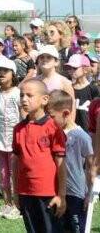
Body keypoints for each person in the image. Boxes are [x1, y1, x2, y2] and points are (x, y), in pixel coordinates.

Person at [13, 78, 66, 233]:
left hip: (48, 194)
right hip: (25, 193)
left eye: (29, 95)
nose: (24, 99)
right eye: (22, 95)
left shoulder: (53, 128)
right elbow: (16, 162)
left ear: (44, 99)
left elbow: (61, 163)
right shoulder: (18, 128)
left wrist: (61, 195)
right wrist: (16, 193)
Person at [48, 90, 93, 233]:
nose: (48, 121)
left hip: (76, 194)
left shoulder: (82, 137)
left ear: (66, 114)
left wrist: (89, 195)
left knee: (76, 228)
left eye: (52, 116)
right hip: (56, 191)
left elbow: (91, 167)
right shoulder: (52, 134)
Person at [0, 57, 22, 220]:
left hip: (16, 141)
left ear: (13, 73)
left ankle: (17, 205)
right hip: (0, 140)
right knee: (3, 174)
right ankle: (7, 203)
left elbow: (23, 119)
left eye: (5, 70)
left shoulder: (18, 93)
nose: (1, 73)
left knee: (15, 174)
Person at [67, 53, 100, 132]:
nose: (71, 70)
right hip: (72, 131)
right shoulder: (69, 87)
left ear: (85, 69)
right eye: (69, 67)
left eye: (74, 68)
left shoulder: (93, 89)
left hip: (88, 132)